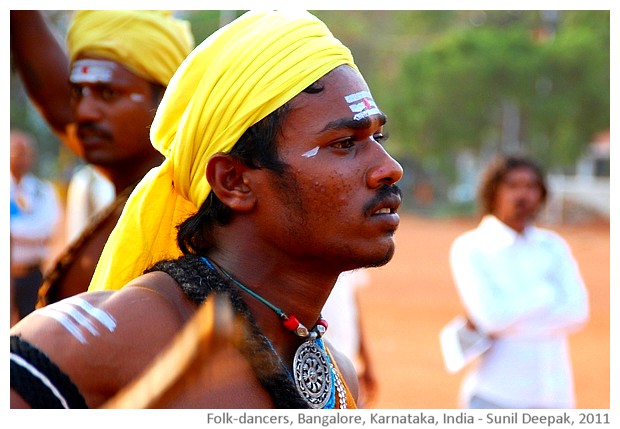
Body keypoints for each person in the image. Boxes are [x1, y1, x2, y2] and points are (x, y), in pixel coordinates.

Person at [10, 10, 403, 409]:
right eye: (343, 143)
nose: (390, 168)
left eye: (378, 136)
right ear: (234, 181)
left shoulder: (338, 372)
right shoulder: (95, 346)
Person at [10, 10, 194, 306]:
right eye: (78, 92)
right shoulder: (126, 181)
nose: (83, 112)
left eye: (108, 93)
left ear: (166, 103)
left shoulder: (188, 212)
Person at [448, 154, 589, 409]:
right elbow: (490, 317)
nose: (522, 195)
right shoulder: (472, 247)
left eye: (531, 186)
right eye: (513, 185)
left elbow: (578, 313)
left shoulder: (553, 246)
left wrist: (510, 321)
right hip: (494, 397)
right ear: (493, 192)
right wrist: (546, 295)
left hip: (555, 396)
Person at [10, 129, 61, 324]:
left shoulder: (42, 190)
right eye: (16, 150)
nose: (21, 157)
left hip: (32, 274)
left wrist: (14, 233)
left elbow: (48, 227)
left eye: (26, 152)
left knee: (29, 325)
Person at [322, 270, 378, 407]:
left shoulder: (352, 256)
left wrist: (367, 362)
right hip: (319, 366)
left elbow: (354, 305)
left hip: (349, 366)